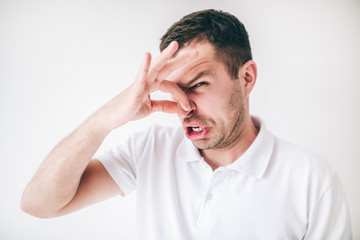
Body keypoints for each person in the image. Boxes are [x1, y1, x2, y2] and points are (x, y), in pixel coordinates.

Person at [21, 9, 352, 239]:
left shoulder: (312, 180)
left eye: (198, 85)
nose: (184, 106)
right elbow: (38, 205)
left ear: (246, 77)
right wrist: (104, 121)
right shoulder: (149, 149)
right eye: (174, 88)